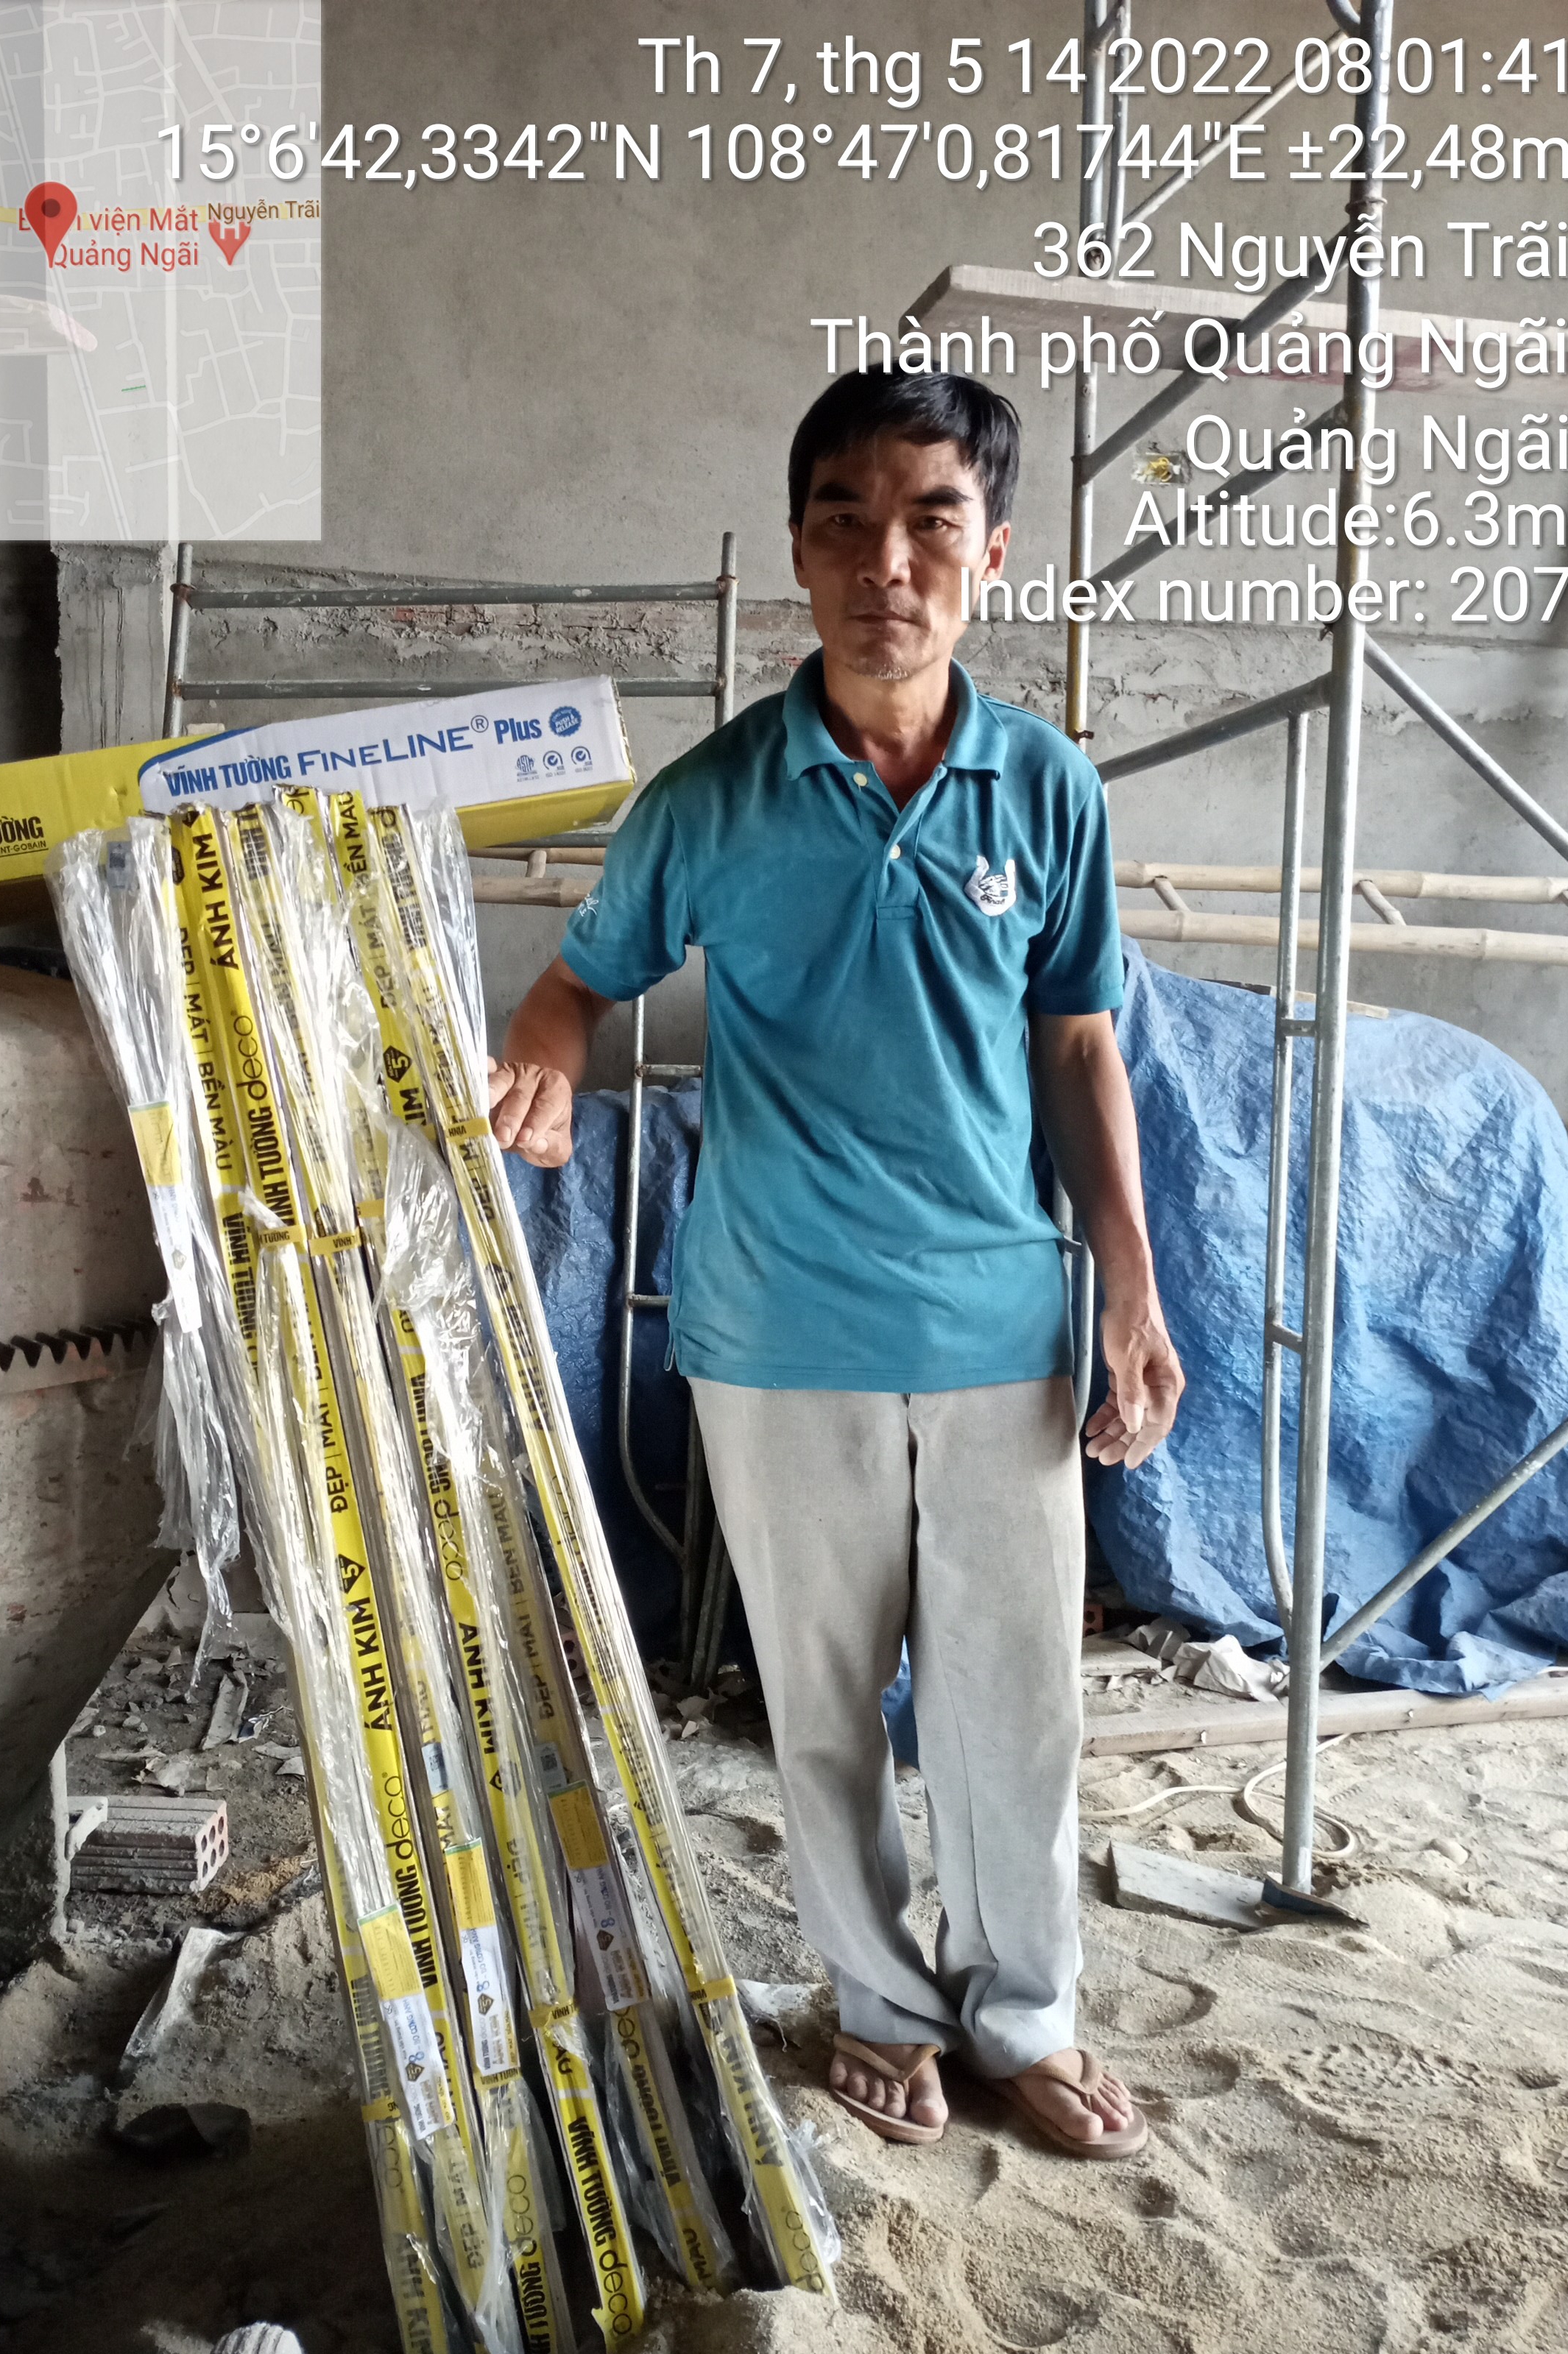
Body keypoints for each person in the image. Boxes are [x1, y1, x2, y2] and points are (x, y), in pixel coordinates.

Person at [488, 370, 1184, 2159]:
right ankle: (880, 2004)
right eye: (846, 521)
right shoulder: (711, 801)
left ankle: (1024, 2015)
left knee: (1016, 1707)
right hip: (776, 1324)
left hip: (999, 1321)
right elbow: (577, 985)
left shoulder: (1049, 790)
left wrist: (1130, 1279)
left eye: (932, 520)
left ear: (993, 553)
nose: (889, 562)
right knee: (820, 1709)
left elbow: (1082, 1043)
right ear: (799, 552)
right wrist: (541, 1068)